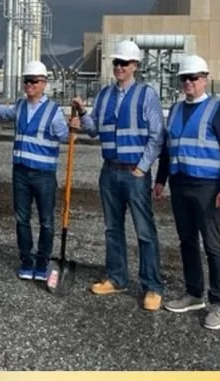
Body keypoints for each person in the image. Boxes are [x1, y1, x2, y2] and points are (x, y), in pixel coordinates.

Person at [69, 39, 165, 311]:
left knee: (144, 231)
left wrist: (142, 167)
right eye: (116, 63)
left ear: (135, 65)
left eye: (124, 63)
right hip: (109, 170)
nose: (119, 67)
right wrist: (82, 115)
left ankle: (152, 286)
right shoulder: (104, 96)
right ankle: (116, 277)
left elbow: (157, 136)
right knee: (113, 229)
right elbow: (94, 130)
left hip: (134, 173)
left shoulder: (146, 95)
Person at [152, 54, 220, 331]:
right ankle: (194, 293)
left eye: (193, 78)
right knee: (187, 241)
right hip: (180, 184)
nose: (188, 82)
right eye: (184, 78)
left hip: (207, 187)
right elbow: (168, 149)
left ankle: (219, 302)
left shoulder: (218, 110)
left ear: (205, 80)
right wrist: (161, 179)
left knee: (213, 245)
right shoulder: (176, 110)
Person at [0, 60, 69, 281]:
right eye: (26, 81)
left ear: (44, 83)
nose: (29, 85)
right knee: (22, 219)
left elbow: (65, 136)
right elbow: (2, 112)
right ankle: (26, 261)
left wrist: (75, 124)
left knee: (46, 221)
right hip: (20, 172)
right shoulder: (19, 106)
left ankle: (42, 262)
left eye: (34, 81)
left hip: (44, 175)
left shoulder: (54, 111)